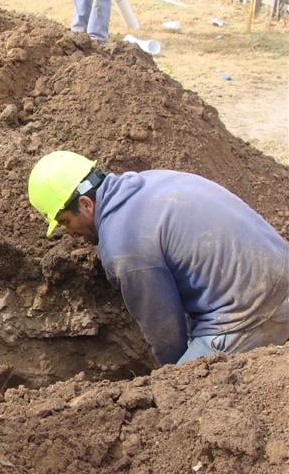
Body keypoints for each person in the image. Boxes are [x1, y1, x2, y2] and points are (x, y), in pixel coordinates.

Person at [27, 150, 289, 366]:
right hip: (280, 277)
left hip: (252, 313)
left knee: (183, 396)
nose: (69, 232)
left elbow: (165, 334)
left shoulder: (123, 246)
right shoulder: (150, 181)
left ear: (85, 204)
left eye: (65, 221)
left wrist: (170, 380)